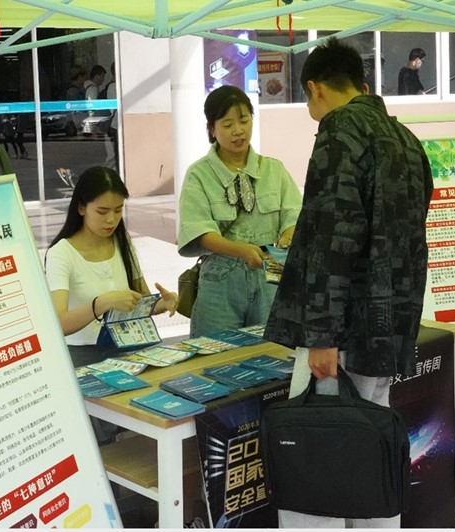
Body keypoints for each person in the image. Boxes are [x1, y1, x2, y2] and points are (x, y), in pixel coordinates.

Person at [263, 37, 433, 528]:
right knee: (370, 448)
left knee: (316, 456)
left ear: (315, 88)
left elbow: (331, 239)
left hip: (343, 330)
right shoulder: (405, 138)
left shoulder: (340, 131)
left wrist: (321, 335)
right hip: (390, 327)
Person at [177, 85, 302, 338]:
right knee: (215, 352)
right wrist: (240, 250)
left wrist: (287, 238)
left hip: (269, 272)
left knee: (273, 348)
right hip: (220, 280)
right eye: (227, 124)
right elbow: (198, 230)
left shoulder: (273, 169)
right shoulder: (199, 174)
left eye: (244, 120)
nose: (238, 130)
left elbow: (294, 213)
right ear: (212, 129)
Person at [45, 166, 178, 367]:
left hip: (129, 345)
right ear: (81, 208)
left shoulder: (121, 241)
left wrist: (163, 304)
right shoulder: (61, 253)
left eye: (118, 210)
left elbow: (140, 302)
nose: (111, 219)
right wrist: (102, 303)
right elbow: (59, 323)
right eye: (102, 211)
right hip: (83, 355)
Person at [105, 62, 120, 170]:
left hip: (116, 124)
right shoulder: (113, 86)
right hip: (115, 124)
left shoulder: (113, 86)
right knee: (116, 153)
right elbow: (114, 107)